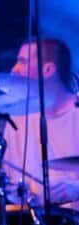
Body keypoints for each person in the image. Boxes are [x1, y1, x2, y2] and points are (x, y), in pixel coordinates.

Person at [7, 37, 79, 208]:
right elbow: (11, 181)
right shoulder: (17, 118)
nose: (14, 70)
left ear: (47, 70)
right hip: (35, 220)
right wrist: (17, 193)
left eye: (23, 62)